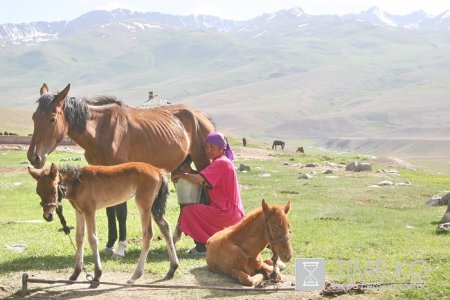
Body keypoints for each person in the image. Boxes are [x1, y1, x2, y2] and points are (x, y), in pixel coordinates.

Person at [171, 132, 245, 255]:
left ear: (221, 148)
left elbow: (198, 180)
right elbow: (203, 178)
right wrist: (190, 171)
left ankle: (202, 248)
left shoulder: (220, 163)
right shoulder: (223, 161)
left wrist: (180, 174)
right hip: (232, 213)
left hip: (225, 213)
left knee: (188, 211)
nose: (208, 150)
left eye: (212, 147)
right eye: (206, 147)